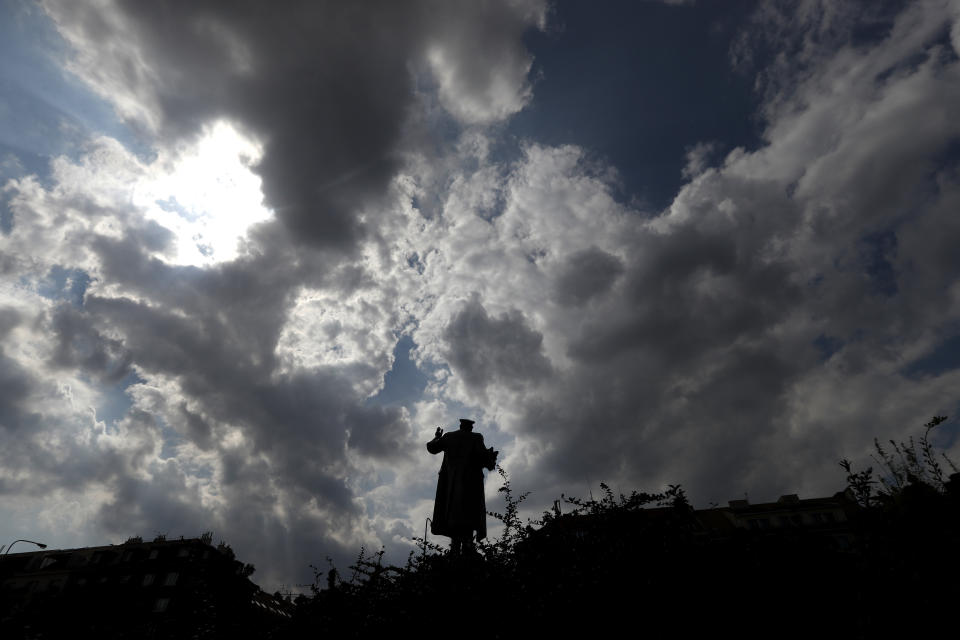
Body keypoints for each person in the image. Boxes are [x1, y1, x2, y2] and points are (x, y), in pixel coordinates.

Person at [427, 418, 498, 554]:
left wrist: (436, 437)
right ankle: (467, 548)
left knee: (453, 517)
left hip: (450, 486)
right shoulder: (476, 438)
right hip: (470, 486)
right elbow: (484, 460)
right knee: (468, 517)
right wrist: (491, 456)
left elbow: (432, 448)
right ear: (470, 427)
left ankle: (455, 549)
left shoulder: (448, 437)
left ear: (460, 425)